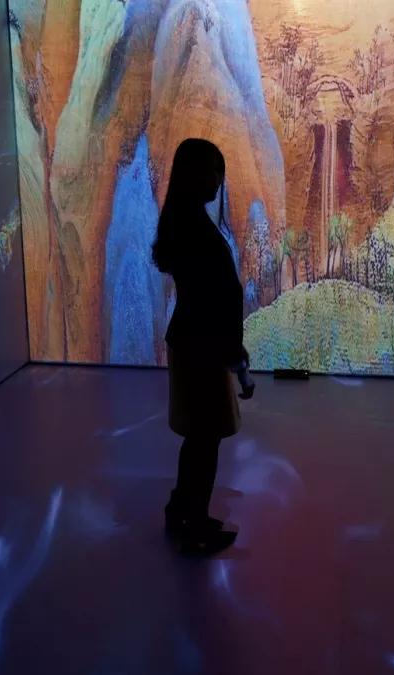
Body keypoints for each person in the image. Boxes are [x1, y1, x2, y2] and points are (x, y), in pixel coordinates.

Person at [152, 138, 255, 555]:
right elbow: (220, 299)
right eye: (213, 170)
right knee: (205, 440)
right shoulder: (196, 229)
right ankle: (194, 524)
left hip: (193, 340)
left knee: (198, 437)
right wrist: (236, 356)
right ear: (196, 175)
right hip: (203, 346)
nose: (218, 179)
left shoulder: (184, 221)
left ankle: (181, 510)